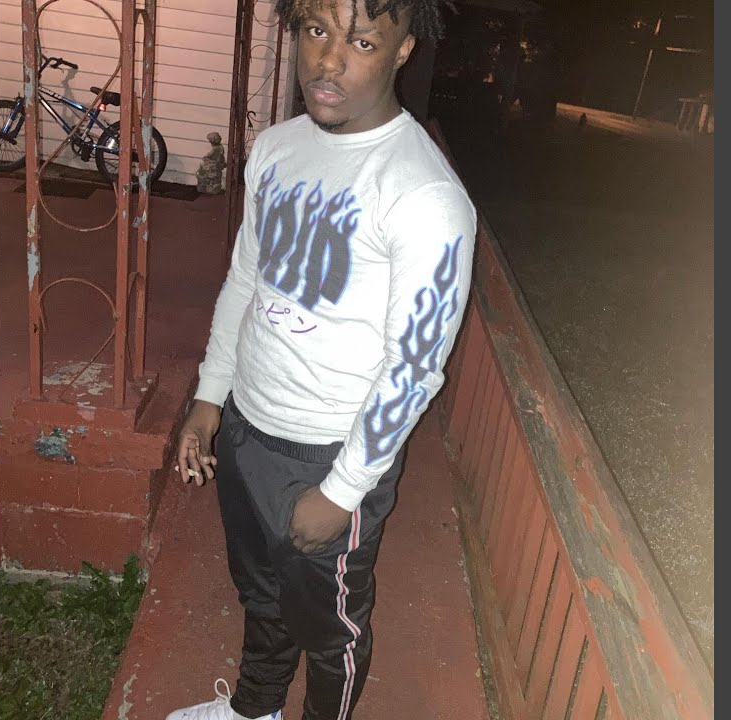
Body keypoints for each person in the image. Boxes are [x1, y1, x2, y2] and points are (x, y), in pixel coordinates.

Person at [166, 0, 476, 718]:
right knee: (261, 592)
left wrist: (343, 491)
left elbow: (413, 368)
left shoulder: (425, 196)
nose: (328, 62)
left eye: (362, 41)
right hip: (248, 429)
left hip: (332, 452)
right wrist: (211, 399)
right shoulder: (277, 148)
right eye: (316, 31)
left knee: (331, 632)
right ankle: (255, 709)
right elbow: (246, 279)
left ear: (403, 50)